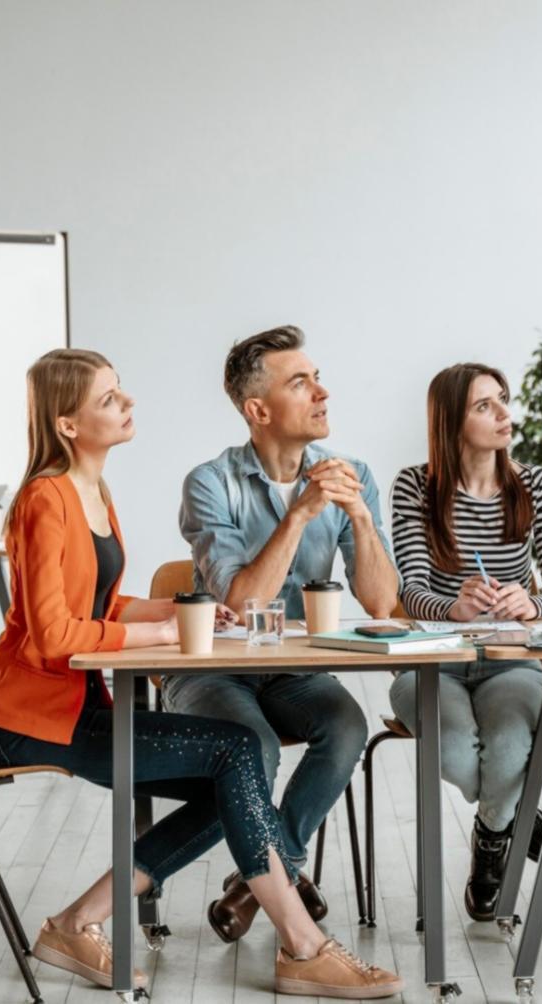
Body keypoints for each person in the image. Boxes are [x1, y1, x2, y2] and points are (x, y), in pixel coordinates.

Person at [0, 348, 401, 998]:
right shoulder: (43, 500)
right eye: (110, 398)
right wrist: (164, 632)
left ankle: (76, 923)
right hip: (24, 718)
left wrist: (187, 609)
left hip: (75, 708)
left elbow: (102, 604)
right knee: (235, 754)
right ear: (66, 423)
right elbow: (52, 636)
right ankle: (303, 945)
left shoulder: (92, 493)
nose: (129, 404)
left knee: (229, 781)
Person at [173, 326, 396, 946]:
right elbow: (240, 602)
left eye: (316, 377)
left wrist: (358, 517)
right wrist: (300, 512)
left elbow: (381, 601)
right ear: (258, 410)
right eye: (301, 382)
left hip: (294, 670)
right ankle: (281, 879)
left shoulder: (353, 474)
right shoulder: (209, 483)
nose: (322, 392)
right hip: (214, 668)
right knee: (255, 747)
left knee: (348, 725)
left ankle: (268, 874)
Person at [387, 362, 542, 920]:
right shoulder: (414, 487)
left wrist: (531, 603)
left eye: (503, 401)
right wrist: (453, 606)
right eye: (484, 406)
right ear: (451, 421)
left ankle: (490, 845)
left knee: (514, 750)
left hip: (511, 661)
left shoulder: (537, 485)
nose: (504, 415)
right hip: (433, 661)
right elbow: (412, 592)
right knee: (454, 753)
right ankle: (512, 817)